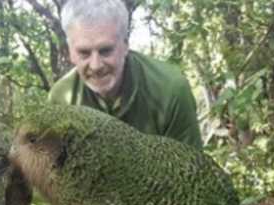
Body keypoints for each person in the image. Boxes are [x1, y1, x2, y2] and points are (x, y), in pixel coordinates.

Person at [48, 0, 202, 148]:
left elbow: (191, 169)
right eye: (84, 53)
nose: (96, 66)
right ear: (70, 52)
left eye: (106, 50)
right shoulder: (60, 99)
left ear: (125, 44)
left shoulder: (170, 90)